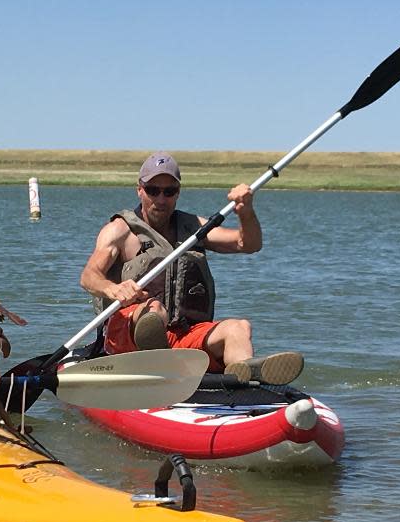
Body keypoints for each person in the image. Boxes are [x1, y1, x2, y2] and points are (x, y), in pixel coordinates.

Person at [79, 151, 303, 385]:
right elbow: (89, 276)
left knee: (238, 327)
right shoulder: (120, 231)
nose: (161, 199)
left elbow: (248, 244)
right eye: (153, 190)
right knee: (154, 311)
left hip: (182, 337)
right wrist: (113, 289)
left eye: (169, 191)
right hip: (127, 336)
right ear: (139, 189)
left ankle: (244, 379)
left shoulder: (195, 228)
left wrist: (245, 212)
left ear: (178, 193)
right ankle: (157, 373)